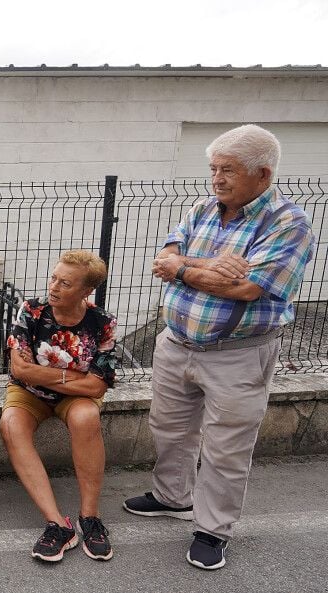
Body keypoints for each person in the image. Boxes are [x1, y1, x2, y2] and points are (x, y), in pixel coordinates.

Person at [125, 124, 316, 570]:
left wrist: (182, 268)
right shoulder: (203, 208)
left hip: (239, 353)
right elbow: (164, 255)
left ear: (263, 174)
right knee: (168, 428)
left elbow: (248, 288)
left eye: (227, 170)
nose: (216, 179)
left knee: (227, 446)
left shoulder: (289, 224)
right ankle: (173, 496)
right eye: (213, 168)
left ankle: (212, 529)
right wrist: (206, 264)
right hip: (176, 343)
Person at [1, 251, 118, 562]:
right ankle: (58, 524)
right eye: (54, 278)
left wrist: (43, 374)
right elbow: (20, 371)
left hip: (75, 398)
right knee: (11, 425)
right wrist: (72, 375)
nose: (54, 287)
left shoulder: (102, 322)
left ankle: (89, 518)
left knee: (86, 416)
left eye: (65, 283)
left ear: (86, 291)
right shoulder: (31, 311)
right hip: (29, 395)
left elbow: (97, 386)